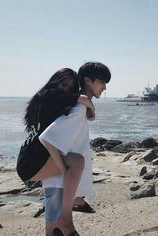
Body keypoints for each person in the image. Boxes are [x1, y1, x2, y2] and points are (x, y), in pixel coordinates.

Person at [16, 68, 95, 235]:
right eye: (63, 84)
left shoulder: (42, 102)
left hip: (27, 161)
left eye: (69, 88)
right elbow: (82, 99)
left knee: (64, 172)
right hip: (31, 163)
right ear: (54, 82)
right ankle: (66, 218)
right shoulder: (50, 94)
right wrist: (90, 108)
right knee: (75, 162)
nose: (65, 90)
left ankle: (56, 225)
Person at [39, 62, 111, 236]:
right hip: (59, 183)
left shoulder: (79, 107)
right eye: (102, 82)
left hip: (57, 183)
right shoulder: (79, 108)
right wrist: (65, 169)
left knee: (53, 231)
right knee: (60, 229)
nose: (104, 87)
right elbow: (47, 137)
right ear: (88, 80)